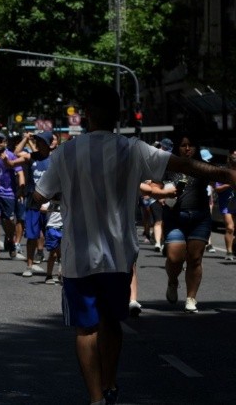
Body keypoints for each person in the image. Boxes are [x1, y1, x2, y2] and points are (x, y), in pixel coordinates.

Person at [32, 84, 236, 405]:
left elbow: (38, 196)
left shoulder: (67, 152)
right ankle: (111, 384)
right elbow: (183, 166)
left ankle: (96, 398)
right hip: (118, 255)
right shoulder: (133, 148)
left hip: (77, 258)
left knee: (86, 329)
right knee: (112, 322)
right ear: (118, 115)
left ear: (86, 116)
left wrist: (65, 192)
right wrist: (224, 172)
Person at [161, 134, 217, 313]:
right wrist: (162, 195)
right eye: (183, 145)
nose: (187, 149)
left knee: (195, 258)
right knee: (174, 257)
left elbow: (220, 178)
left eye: (191, 145)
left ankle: (191, 298)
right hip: (175, 216)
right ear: (177, 147)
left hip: (200, 217)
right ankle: (172, 280)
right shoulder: (168, 166)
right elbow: (155, 185)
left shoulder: (203, 167)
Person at [7, 131, 54, 277]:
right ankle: (29, 265)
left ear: (47, 144)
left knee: (53, 236)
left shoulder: (55, 159)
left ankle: (55, 267)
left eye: (41, 142)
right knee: (32, 235)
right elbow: (16, 153)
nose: (38, 144)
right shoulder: (32, 157)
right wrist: (26, 138)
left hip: (51, 202)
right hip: (33, 201)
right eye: (37, 142)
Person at [215, 152, 236, 260]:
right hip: (226, 204)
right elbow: (217, 189)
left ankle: (234, 247)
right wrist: (230, 184)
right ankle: (229, 252)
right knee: (230, 227)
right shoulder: (224, 173)